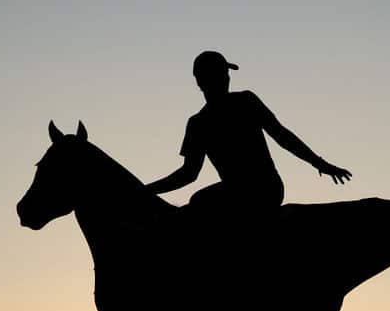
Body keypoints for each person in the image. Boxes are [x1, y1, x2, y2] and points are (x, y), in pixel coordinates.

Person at [144, 51, 351, 221]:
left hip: (264, 190)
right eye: (222, 73)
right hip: (259, 190)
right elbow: (189, 174)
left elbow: (282, 136)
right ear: (203, 81)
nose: (226, 77)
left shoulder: (228, 109)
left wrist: (320, 164)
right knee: (200, 201)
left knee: (199, 202)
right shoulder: (213, 116)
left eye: (225, 73)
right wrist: (146, 191)